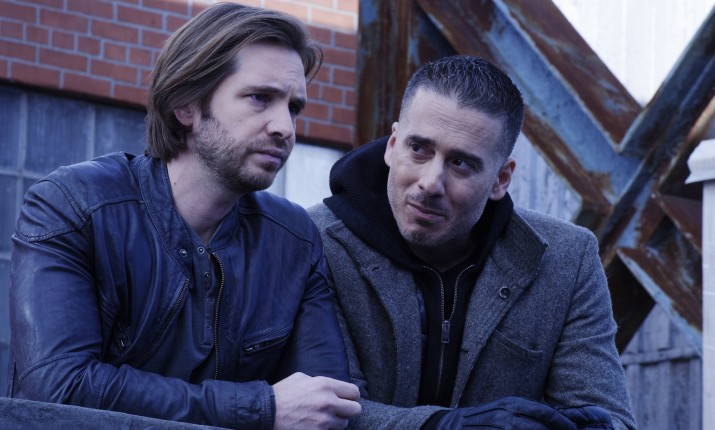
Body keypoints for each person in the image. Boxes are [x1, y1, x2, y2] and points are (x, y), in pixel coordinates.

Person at [7, 3, 361, 429]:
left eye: (294, 108)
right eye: (260, 98)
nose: (284, 127)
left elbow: (324, 405)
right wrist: (260, 407)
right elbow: (57, 389)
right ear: (185, 105)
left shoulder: (294, 239)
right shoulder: (74, 205)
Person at [308, 55, 637, 429]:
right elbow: (327, 412)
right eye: (419, 149)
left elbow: (609, 419)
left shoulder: (567, 259)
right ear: (393, 144)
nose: (431, 182)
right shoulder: (313, 241)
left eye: (460, 163)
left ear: (501, 179)